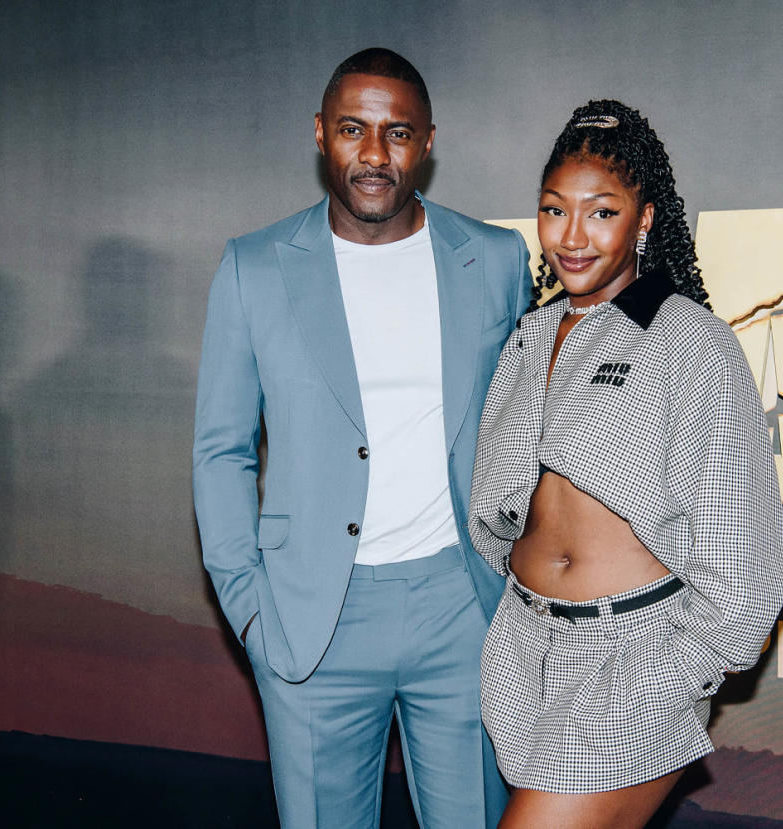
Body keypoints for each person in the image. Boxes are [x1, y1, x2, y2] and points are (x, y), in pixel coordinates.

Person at [193, 48, 530, 828]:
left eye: (397, 133)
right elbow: (221, 450)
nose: (375, 155)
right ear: (320, 134)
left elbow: (526, 430)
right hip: (315, 618)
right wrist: (250, 609)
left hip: (464, 608)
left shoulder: (496, 258)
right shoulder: (253, 268)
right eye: (353, 129)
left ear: (428, 142)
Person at [469, 100, 783, 828]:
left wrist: (670, 673)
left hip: (630, 661)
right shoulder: (533, 332)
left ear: (644, 220)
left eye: (602, 212)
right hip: (523, 652)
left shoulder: (691, 343)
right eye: (554, 211)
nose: (572, 237)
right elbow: (502, 500)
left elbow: (748, 568)